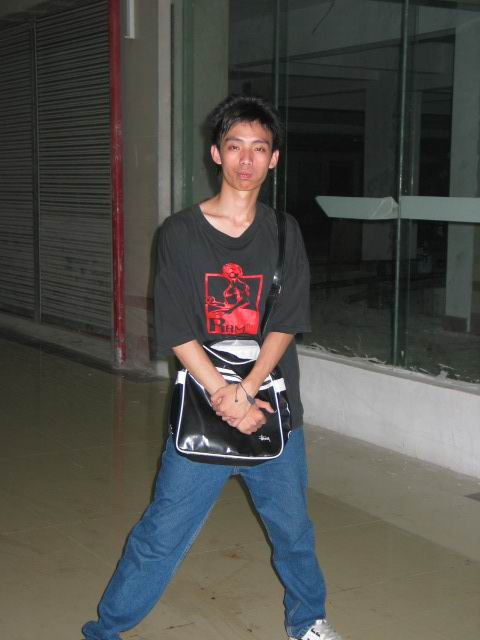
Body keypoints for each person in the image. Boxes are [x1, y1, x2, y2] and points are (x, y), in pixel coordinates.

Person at [82, 94, 343, 640]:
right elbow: (177, 327)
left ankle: (308, 622)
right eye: (235, 146)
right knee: (161, 532)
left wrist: (246, 392)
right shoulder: (180, 232)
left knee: (293, 531)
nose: (246, 160)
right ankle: (106, 630)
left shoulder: (284, 231)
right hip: (202, 406)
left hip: (272, 406)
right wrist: (225, 396)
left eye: (259, 148)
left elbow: (286, 322)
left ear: (274, 159)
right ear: (216, 153)